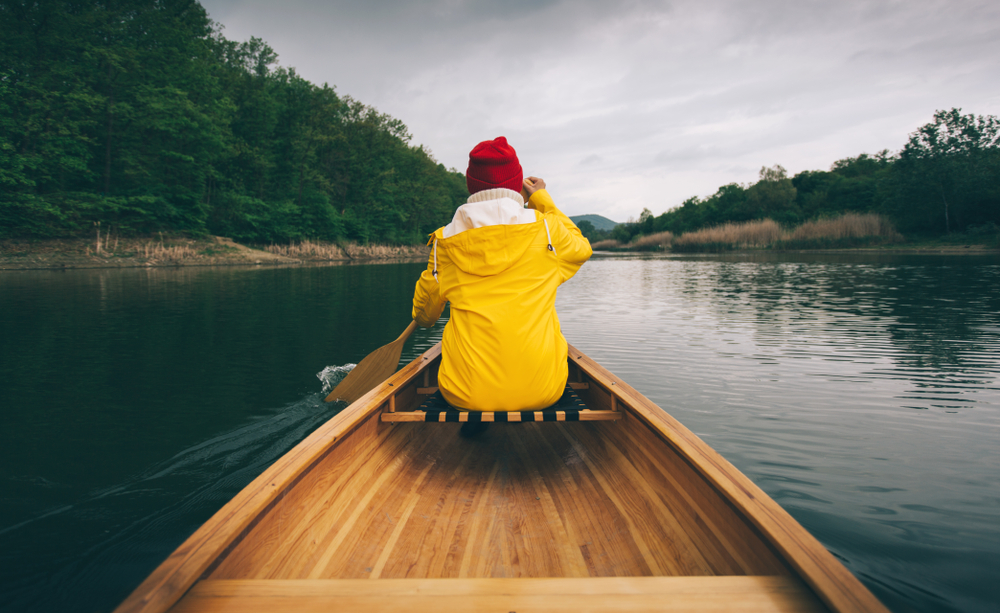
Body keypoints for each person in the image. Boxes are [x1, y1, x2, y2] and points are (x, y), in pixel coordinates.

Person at [411, 136, 592, 430]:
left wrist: (428, 303)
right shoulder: (548, 231)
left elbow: (425, 317)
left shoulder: (443, 243)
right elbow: (583, 248)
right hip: (544, 391)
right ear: (517, 184)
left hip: (464, 394)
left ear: (472, 186)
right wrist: (542, 199)